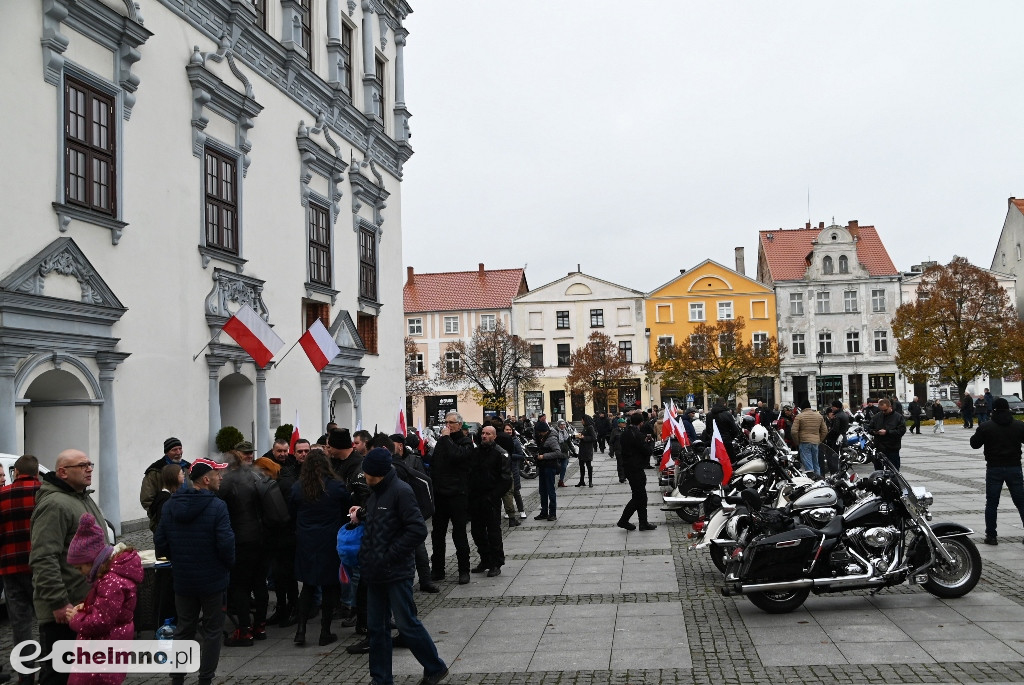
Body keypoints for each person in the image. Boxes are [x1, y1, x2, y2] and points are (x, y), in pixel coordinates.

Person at [351, 448, 449, 685]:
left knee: (406, 623)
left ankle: (435, 667)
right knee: (377, 628)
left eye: (368, 474)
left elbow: (417, 529)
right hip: (375, 571)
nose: (365, 477)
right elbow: (381, 520)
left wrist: (389, 555)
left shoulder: (401, 491)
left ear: (381, 474)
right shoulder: (375, 492)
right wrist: (361, 515)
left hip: (396, 571)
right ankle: (381, 679)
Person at [30, 449, 107, 685]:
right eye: (82, 465)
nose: (89, 469)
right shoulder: (55, 504)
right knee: (59, 674)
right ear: (63, 472)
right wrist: (59, 602)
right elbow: (43, 558)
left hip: (84, 605)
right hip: (65, 610)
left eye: (90, 464)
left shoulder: (81, 497)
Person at [155, 457, 234, 685]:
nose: (221, 478)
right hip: (213, 579)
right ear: (206, 480)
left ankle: (177, 678)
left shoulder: (170, 505)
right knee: (212, 631)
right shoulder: (218, 506)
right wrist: (226, 566)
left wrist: (178, 559)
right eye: (217, 474)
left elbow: (160, 542)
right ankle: (205, 679)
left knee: (184, 628)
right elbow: (226, 544)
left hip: (183, 579)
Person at [65, 513, 143, 685]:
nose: (81, 573)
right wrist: (86, 608)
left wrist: (76, 619)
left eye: (80, 568)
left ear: (92, 561)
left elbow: (101, 621)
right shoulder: (110, 577)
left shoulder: (110, 582)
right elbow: (106, 608)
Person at [290, 448, 350, 646]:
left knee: (308, 586)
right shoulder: (336, 487)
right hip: (329, 540)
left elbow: (292, 513)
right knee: (329, 587)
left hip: (306, 541)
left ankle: (301, 630)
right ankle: (324, 631)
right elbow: (345, 512)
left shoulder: (298, 487)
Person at [218, 441, 271, 646]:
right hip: (262, 537)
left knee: (239, 585)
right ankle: (260, 625)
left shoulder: (229, 480)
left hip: (241, 539)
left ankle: (243, 630)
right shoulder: (257, 475)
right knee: (260, 584)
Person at [0, 455, 40, 685]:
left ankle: (26, 677)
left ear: (15, 471)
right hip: (39, 567)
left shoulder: (2, 496)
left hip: (10, 567)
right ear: (36, 473)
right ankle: (51, 671)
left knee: (20, 625)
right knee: (46, 621)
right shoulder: (44, 493)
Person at [970, 397, 1024, 545]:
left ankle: (991, 535)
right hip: (1014, 467)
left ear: (993, 409)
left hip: (994, 468)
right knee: (1021, 502)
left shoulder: (987, 426)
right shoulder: (1019, 426)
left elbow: (974, 444)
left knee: (992, 503)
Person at [428, 412, 474, 584]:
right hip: (440, 494)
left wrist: (446, 439)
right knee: (437, 534)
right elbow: (435, 463)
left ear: (460, 425)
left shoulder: (466, 442)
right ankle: (438, 569)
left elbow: (457, 456)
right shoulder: (442, 441)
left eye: (452, 423)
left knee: (459, 533)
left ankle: (464, 570)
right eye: (446, 422)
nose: (448, 426)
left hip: (458, 494)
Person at [468, 426, 511, 577]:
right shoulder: (476, 451)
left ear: (494, 436)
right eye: (483, 433)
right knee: (476, 531)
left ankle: (496, 562)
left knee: (493, 532)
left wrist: (492, 496)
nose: (484, 436)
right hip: (476, 498)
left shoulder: (500, 453)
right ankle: (485, 559)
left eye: (488, 434)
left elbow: (506, 480)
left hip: (491, 498)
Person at [617, 413, 657, 531]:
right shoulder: (637, 435)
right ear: (641, 423)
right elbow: (647, 451)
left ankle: (643, 523)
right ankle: (623, 520)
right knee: (639, 497)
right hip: (635, 468)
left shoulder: (625, 433)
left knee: (641, 496)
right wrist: (649, 442)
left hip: (629, 467)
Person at [140, 437, 191, 511]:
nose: (178, 452)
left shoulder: (188, 467)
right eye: (174, 450)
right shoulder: (155, 471)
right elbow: (146, 499)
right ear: (166, 452)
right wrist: (159, 515)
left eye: (180, 448)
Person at [497, 422, 526, 524]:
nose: (509, 431)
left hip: (513, 468)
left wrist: (509, 455)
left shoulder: (515, 441)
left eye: (510, 430)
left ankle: (521, 510)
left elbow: (521, 455)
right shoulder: (501, 440)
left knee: (516, 491)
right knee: (505, 492)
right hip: (504, 469)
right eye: (507, 430)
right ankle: (508, 511)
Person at [533, 422, 561, 521]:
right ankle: (544, 512)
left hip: (549, 467)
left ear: (542, 431)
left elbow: (558, 452)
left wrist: (543, 456)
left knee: (550, 490)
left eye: (539, 432)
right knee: (542, 491)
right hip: (543, 467)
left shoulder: (552, 439)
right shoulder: (543, 437)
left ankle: (552, 513)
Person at [868, 398, 906, 470]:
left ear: (890, 407)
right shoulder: (877, 416)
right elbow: (869, 428)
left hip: (892, 448)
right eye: (881, 410)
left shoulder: (898, 417)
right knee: (878, 470)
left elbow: (901, 431)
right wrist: (874, 432)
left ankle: (894, 481)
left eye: (885, 410)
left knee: (893, 470)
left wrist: (887, 432)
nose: (883, 412)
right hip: (879, 447)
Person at [791, 400, 827, 476]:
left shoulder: (799, 416)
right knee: (816, 463)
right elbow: (825, 431)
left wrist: (797, 442)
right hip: (815, 442)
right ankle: (818, 479)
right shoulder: (819, 416)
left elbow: (794, 432)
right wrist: (819, 440)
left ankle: (812, 479)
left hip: (804, 442)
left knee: (808, 464)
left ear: (802, 408)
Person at [146, 463, 183, 533]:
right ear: (174, 476)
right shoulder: (165, 499)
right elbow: (163, 524)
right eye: (181, 473)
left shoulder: (168, 495)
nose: (183, 475)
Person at [823, 401, 851, 474]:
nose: (832, 408)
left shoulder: (837, 416)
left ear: (836, 407)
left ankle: (835, 473)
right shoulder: (844, 414)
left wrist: (827, 436)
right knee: (842, 457)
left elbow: (835, 429)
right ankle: (842, 472)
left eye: (833, 406)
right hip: (843, 437)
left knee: (834, 457)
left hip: (837, 439)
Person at [575, 415, 597, 487]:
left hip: (587, 449)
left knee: (588, 465)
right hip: (582, 449)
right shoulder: (585, 427)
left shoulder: (590, 427)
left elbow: (593, 438)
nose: (581, 421)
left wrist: (584, 437)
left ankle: (590, 481)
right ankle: (582, 481)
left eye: (582, 420)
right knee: (581, 465)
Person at [554, 419, 573, 487]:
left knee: (564, 467)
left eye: (564, 424)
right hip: (557, 452)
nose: (563, 426)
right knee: (556, 468)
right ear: (558, 425)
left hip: (564, 452)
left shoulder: (566, 432)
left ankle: (561, 481)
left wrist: (573, 450)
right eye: (561, 425)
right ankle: (552, 480)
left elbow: (569, 442)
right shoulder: (555, 432)